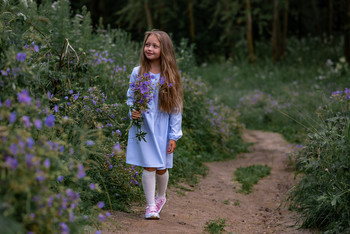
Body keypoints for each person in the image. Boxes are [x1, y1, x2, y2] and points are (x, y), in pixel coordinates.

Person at [126, 30, 183, 220]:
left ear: (164, 49)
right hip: (144, 126)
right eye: (147, 44)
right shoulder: (138, 72)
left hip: (163, 127)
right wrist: (133, 112)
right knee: (149, 166)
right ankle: (150, 206)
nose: (149, 48)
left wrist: (174, 135)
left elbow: (176, 108)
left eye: (155, 46)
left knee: (161, 167)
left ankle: (161, 197)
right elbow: (131, 98)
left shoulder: (170, 76)